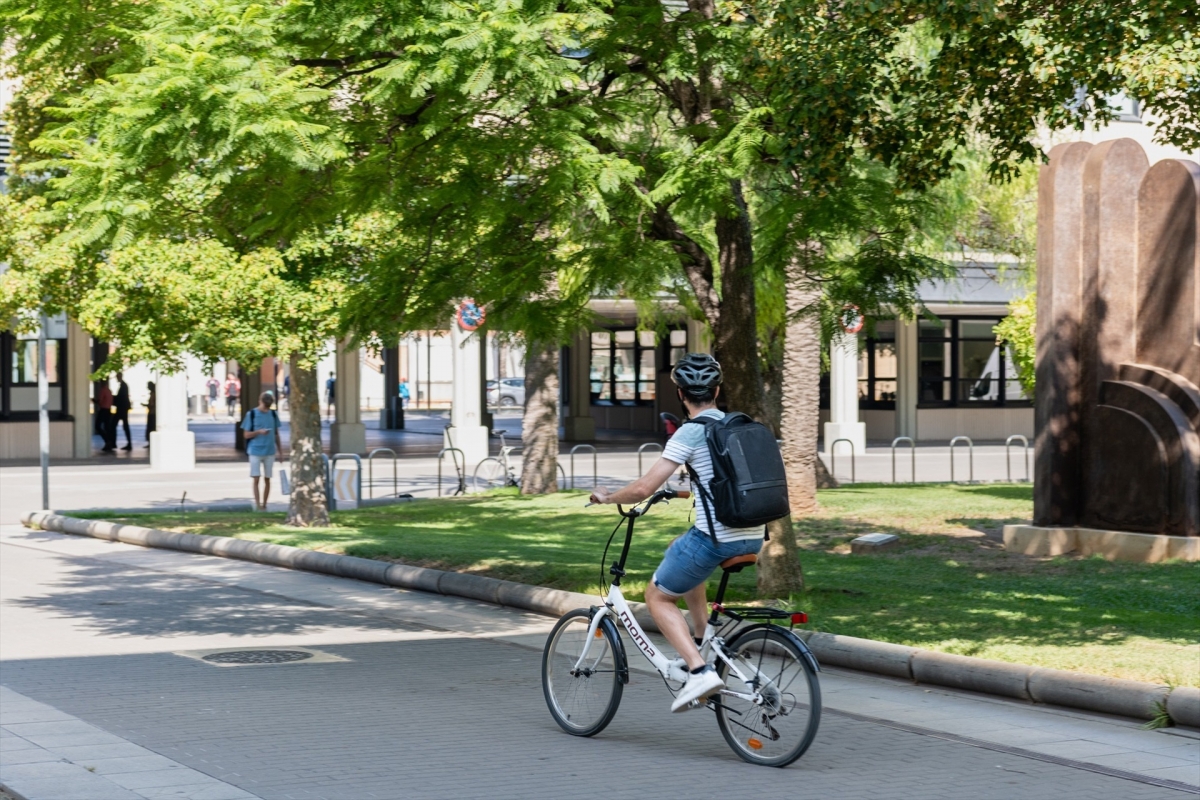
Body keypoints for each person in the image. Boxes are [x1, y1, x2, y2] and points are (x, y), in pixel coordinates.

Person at [588, 353, 763, 713]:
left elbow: (643, 488)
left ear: (681, 395)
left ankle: (699, 673)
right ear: (716, 390)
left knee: (658, 596)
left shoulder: (692, 431)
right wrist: (685, 492)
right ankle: (702, 640)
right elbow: (725, 483)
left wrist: (608, 498)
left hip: (717, 539)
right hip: (754, 534)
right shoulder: (735, 426)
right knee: (679, 549)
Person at [242, 391, 283, 511]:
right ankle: (258, 504)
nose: (266, 409)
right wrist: (258, 432)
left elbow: (276, 434)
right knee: (256, 478)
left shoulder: (273, 415)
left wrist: (280, 452)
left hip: (269, 451)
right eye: (265, 406)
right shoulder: (252, 414)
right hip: (255, 451)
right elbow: (246, 435)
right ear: (260, 402)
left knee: (268, 479)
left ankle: (264, 504)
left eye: (268, 407)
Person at [96, 379, 116, 453]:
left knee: (97, 426)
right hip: (108, 410)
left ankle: (107, 441)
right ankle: (109, 442)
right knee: (107, 427)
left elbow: (100, 400)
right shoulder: (109, 391)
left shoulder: (102, 390)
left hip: (103, 410)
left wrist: (95, 401)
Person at [114, 371, 133, 451]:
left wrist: (114, 398)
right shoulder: (123, 385)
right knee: (124, 426)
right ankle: (128, 443)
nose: (116, 378)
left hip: (122, 409)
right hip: (122, 409)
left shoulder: (123, 386)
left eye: (117, 377)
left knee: (114, 425)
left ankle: (113, 443)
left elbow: (121, 398)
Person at [144, 381, 157, 448]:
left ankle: (151, 442)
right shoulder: (153, 393)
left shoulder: (153, 394)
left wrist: (147, 405)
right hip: (152, 412)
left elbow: (152, 404)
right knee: (151, 428)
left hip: (152, 412)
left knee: (151, 428)